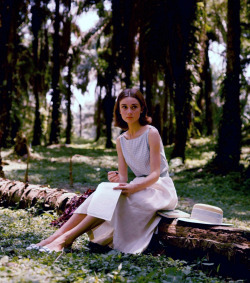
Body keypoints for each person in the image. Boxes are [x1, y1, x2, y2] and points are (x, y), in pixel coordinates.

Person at [27, 88, 178, 254]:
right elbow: (124, 177)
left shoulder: (151, 132)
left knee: (115, 201)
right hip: (138, 185)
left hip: (159, 189)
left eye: (134, 107)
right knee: (99, 194)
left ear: (142, 109)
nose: (129, 111)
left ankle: (66, 239)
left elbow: (155, 174)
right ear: (119, 110)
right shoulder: (121, 140)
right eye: (124, 107)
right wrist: (117, 178)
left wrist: (134, 188)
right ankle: (52, 238)